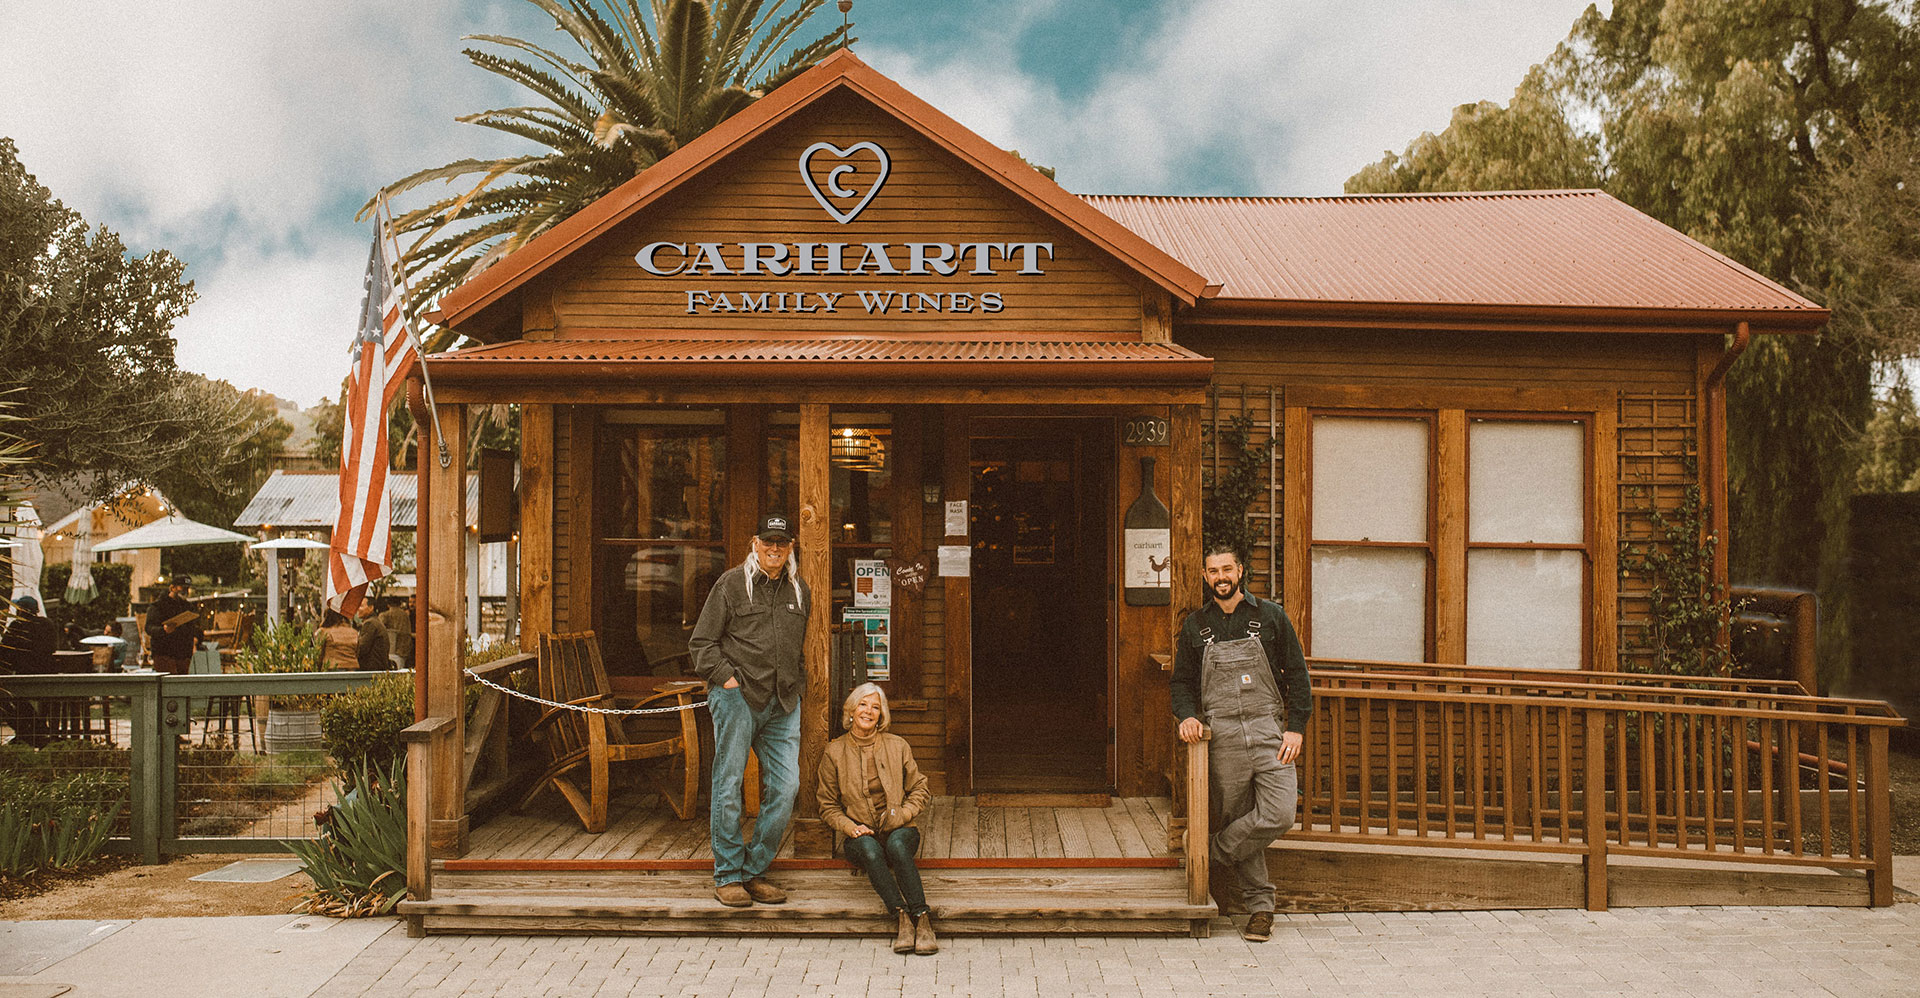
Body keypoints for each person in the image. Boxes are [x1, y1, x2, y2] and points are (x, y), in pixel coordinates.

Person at [1171, 542, 1313, 943]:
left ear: (1241, 571)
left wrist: (1295, 727)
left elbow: (1298, 678)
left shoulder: (1270, 617)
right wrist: (1187, 717)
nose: (1221, 578)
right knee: (1239, 818)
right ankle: (1261, 908)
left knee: (1280, 812)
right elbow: (1181, 683)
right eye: (1213, 572)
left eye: (1227, 570)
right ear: (1205, 576)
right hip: (1224, 736)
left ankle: (1208, 851)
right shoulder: (1196, 626)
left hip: (1269, 731)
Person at [689, 513, 809, 908]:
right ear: (754, 543)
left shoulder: (798, 590)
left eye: (782, 542)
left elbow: (798, 646)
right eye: (767, 541)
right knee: (728, 786)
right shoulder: (731, 585)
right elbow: (702, 644)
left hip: (783, 702)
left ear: (791, 546)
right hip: (738, 697)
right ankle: (727, 875)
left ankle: (753, 871)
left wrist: (797, 683)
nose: (774, 549)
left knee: (786, 787)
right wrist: (727, 679)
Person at [817, 682, 937, 954]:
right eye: (863, 704)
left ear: (881, 715)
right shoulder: (834, 751)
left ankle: (922, 917)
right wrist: (850, 827)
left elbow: (920, 787)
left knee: (896, 846)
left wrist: (903, 814)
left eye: (875, 707)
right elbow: (827, 805)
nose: (868, 711)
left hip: (900, 829)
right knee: (871, 851)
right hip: (860, 834)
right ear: (851, 710)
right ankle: (902, 918)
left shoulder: (898, 745)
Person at [145, 578, 202, 675]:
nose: (186, 591)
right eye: (183, 588)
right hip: (164, 652)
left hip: (183, 654)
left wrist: (196, 639)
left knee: (181, 684)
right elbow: (149, 628)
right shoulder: (158, 606)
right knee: (169, 683)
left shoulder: (188, 607)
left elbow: (195, 627)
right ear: (172, 588)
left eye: (187, 588)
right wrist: (163, 630)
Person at [0, 595, 58, 674]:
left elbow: (4, 648)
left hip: (23, 669)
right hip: (47, 668)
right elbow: (53, 647)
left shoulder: (17, 625)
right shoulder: (47, 623)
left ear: (21, 610)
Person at [377, 597, 414, 667]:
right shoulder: (406, 615)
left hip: (391, 648)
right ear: (400, 604)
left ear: (388, 605)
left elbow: (379, 629)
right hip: (405, 648)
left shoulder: (385, 615)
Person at [354, 603, 391, 670]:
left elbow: (362, 648)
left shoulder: (370, 623)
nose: (358, 608)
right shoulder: (375, 621)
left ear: (371, 608)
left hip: (371, 669)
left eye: (361, 606)